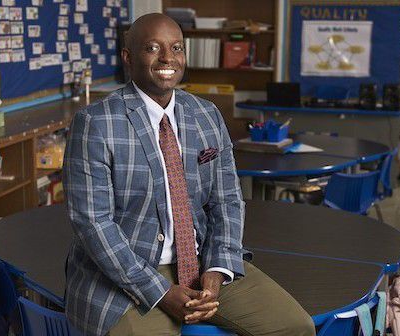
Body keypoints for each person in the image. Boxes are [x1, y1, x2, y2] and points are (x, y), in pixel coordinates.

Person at [63, 13, 316, 336]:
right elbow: (93, 223)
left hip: (199, 263)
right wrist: (159, 291)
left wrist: (217, 268)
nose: (168, 58)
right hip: (125, 275)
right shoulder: (96, 123)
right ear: (128, 57)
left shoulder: (207, 115)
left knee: (296, 327)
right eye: (152, 48)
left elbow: (227, 201)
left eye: (177, 48)